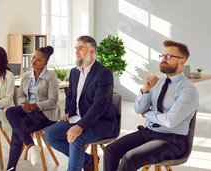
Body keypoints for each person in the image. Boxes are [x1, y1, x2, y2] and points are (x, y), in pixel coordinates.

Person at [103, 40, 198, 171]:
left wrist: (148, 114)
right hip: (149, 133)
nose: (163, 59)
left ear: (182, 61)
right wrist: (145, 90)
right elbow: (138, 109)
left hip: (172, 141)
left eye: (169, 57)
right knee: (110, 150)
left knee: (130, 157)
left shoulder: (188, 89)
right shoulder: (157, 82)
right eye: (163, 56)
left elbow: (170, 121)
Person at [44, 36, 119, 171]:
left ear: (92, 51)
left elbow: (99, 105)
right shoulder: (74, 72)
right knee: (49, 135)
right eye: (76, 48)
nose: (76, 52)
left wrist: (80, 126)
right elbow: (71, 95)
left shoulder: (104, 73)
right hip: (76, 117)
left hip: (100, 122)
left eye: (81, 48)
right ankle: (89, 160)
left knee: (76, 139)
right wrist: (68, 112)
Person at [5, 46, 61, 171]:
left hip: (46, 113)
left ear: (45, 63)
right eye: (34, 57)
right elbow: (21, 96)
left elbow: (53, 101)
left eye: (38, 60)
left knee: (18, 129)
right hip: (28, 109)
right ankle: (31, 146)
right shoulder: (26, 76)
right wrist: (25, 105)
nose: (34, 61)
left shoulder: (51, 77)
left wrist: (34, 106)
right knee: (10, 111)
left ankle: (11, 168)